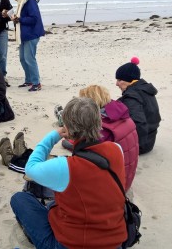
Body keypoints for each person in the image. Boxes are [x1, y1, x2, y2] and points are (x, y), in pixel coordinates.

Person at [10, 97, 127, 248]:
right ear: (99, 122)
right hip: (115, 242)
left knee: (20, 199)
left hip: (72, 244)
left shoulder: (66, 167)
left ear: (69, 129)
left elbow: (30, 168)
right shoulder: (116, 149)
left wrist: (54, 136)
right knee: (58, 200)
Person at [78, 84, 139, 191]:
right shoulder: (124, 116)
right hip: (126, 177)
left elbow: (87, 153)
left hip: (114, 186)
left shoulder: (104, 129)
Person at [115, 57, 161, 154]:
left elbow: (139, 123)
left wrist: (135, 147)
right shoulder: (144, 89)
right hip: (150, 139)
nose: (116, 84)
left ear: (128, 80)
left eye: (119, 80)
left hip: (141, 145)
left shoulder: (132, 97)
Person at [10, 0, 45, 92]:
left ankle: (36, 83)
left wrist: (20, 19)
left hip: (31, 34)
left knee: (30, 59)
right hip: (24, 35)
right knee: (23, 58)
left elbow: (34, 18)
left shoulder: (30, 1)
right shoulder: (22, 2)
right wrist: (16, 18)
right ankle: (29, 80)